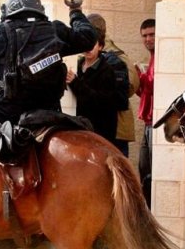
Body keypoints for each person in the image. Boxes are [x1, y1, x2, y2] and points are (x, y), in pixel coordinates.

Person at [0, 0, 96, 232]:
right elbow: (88, 38)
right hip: (49, 111)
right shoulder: (55, 30)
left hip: (7, 110)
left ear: (9, 11)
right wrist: (76, 12)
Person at [88, 13, 137, 156]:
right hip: (114, 127)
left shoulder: (111, 56)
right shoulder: (120, 54)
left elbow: (131, 85)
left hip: (112, 125)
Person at [67, 36, 120, 143]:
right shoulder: (76, 65)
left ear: (100, 47)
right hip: (79, 126)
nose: (88, 48)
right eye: (85, 44)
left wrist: (76, 83)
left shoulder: (106, 71)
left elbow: (101, 101)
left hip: (99, 130)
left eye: (92, 44)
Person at [136, 18, 156, 209]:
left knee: (152, 173)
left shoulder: (161, 58)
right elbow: (145, 93)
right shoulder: (150, 59)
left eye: (152, 34)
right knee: (144, 170)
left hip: (157, 124)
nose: (148, 39)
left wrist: (141, 77)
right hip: (148, 122)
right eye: (145, 36)